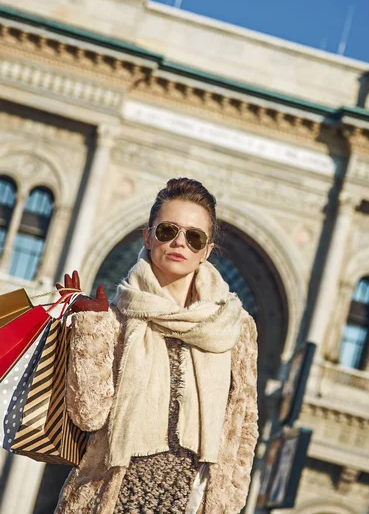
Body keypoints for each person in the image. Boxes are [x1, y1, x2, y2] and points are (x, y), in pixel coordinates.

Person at [55, 178, 258, 514]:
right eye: (167, 231)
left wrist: (227, 506)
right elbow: (88, 416)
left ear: (207, 250)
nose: (180, 242)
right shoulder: (116, 317)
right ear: (147, 236)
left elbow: (243, 433)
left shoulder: (236, 327)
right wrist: (90, 330)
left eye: (194, 237)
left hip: (189, 503)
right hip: (110, 499)